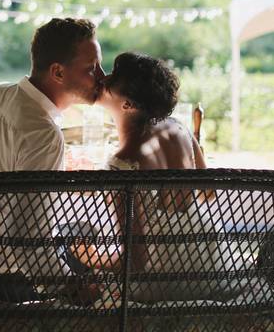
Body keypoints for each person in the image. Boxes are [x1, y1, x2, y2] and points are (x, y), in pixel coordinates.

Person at [0, 17, 105, 303]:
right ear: (57, 72)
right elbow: (28, 240)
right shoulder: (44, 135)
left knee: (76, 233)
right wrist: (72, 287)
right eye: (91, 69)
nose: (102, 77)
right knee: (97, 260)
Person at [66, 52, 220, 301]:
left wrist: (90, 256)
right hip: (209, 265)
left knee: (77, 267)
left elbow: (134, 262)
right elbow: (209, 192)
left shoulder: (122, 165)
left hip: (159, 285)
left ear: (128, 104)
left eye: (113, 77)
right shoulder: (178, 127)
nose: (103, 78)